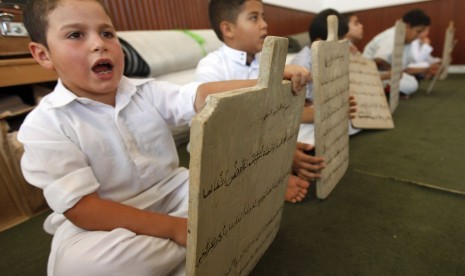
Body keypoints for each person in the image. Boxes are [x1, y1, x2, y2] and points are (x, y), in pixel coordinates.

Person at [18, 0, 310, 275]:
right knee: (82, 265)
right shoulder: (43, 126)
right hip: (107, 225)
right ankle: (211, 239)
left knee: (234, 185)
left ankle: (203, 241)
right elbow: (85, 210)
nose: (99, 44)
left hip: (176, 193)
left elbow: (200, 95)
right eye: (76, 35)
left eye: (107, 33)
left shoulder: (149, 91)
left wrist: (268, 80)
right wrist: (174, 229)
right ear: (43, 54)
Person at [195, 0, 326, 203]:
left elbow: (279, 111)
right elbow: (222, 129)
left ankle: (281, 162)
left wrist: (286, 142)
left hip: (264, 133)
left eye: (264, 17)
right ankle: (271, 177)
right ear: (228, 29)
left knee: (310, 131)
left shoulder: (266, 60)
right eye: (254, 17)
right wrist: (284, 151)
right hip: (228, 143)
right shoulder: (211, 68)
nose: (264, 24)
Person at [290, 8, 359, 141]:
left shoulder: (331, 56)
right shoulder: (302, 63)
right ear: (319, 42)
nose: (342, 45)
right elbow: (301, 106)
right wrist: (333, 108)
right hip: (309, 112)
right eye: (338, 40)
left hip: (324, 107)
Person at [363, 9, 439, 97]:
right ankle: (383, 89)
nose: (418, 36)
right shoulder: (392, 36)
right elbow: (378, 61)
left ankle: (388, 89)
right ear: (407, 26)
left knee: (412, 81)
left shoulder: (406, 40)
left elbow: (404, 69)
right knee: (411, 83)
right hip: (370, 73)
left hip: (386, 73)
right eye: (418, 31)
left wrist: (426, 70)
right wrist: (394, 72)